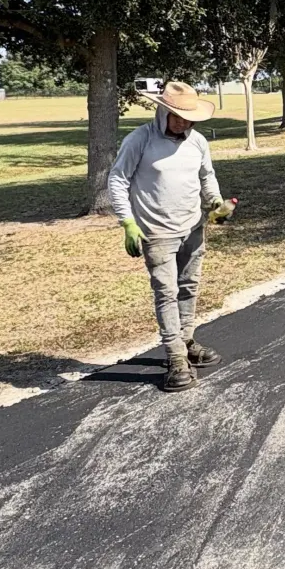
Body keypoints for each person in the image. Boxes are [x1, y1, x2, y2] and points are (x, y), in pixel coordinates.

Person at [108, 80, 234, 392]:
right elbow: (117, 180)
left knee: (189, 287)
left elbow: (207, 176)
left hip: (193, 226)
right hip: (157, 232)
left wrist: (216, 203)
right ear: (163, 111)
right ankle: (176, 357)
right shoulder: (140, 140)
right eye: (178, 116)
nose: (184, 122)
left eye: (189, 117)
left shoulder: (197, 141)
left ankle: (187, 339)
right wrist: (127, 223)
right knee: (166, 293)